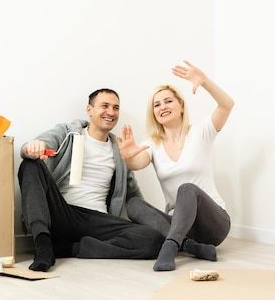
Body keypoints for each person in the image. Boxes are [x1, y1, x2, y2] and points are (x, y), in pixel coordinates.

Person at [18, 88, 165, 272]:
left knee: (153, 239)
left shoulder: (119, 149)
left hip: (97, 219)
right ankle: (42, 244)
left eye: (116, 108)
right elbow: (27, 149)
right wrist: (33, 147)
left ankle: (69, 248)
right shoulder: (68, 132)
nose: (111, 112)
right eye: (105, 106)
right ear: (90, 110)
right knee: (30, 165)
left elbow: (134, 194)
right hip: (63, 212)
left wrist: (157, 225)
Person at [117, 60, 234, 271]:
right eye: (157, 104)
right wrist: (127, 157)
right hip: (180, 226)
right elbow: (137, 163)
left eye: (168, 101)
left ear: (181, 106)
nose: (162, 107)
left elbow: (227, 105)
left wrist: (204, 81)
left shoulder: (201, 132)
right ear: (153, 113)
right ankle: (191, 246)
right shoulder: (152, 143)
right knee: (134, 204)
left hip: (213, 226)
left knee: (187, 189)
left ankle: (170, 248)